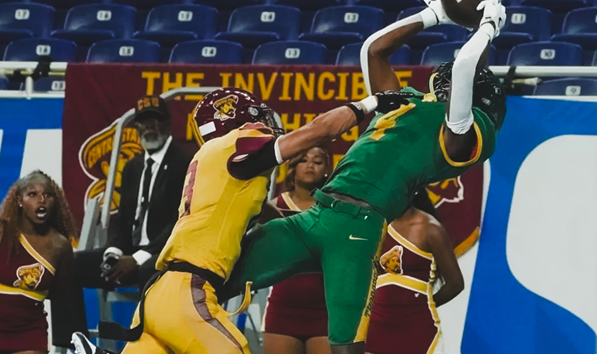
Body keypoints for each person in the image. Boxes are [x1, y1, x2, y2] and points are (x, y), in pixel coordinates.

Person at [218, 0, 512, 354]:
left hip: (357, 228)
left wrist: (488, 26)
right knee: (212, 274)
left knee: (345, 346)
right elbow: (374, 50)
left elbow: (466, 65)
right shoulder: (409, 100)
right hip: (317, 214)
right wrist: (433, 15)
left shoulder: (467, 134)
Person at [71, 87, 408, 354]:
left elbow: (270, 218)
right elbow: (317, 131)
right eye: (255, 116)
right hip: (189, 292)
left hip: (157, 295)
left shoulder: (211, 161)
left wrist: (320, 232)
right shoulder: (237, 146)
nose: (264, 121)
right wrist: (370, 103)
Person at [0, 170, 87, 354]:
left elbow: (60, 293)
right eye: (32, 194)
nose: (41, 200)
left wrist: (26, 294)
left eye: (47, 195)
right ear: (19, 201)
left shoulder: (60, 246)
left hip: (29, 327)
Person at [74, 96, 192, 292]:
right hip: (129, 251)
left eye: (156, 119)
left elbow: (180, 221)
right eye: (143, 121)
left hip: (166, 252)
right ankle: (73, 324)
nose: (149, 126)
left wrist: (138, 259)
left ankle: (145, 324)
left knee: (147, 271)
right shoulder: (132, 167)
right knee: (73, 264)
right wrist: (113, 252)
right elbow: (122, 218)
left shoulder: (185, 163)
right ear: (136, 127)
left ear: (168, 123)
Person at [365, 191, 464, 354]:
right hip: (376, 329)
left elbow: (455, 284)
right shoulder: (373, 226)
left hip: (418, 331)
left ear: (415, 187)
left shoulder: (430, 229)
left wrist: (422, 305)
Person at [264, 146, 334, 354]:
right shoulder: (273, 207)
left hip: (325, 310)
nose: (310, 165)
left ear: (326, 171)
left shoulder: (334, 210)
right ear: (293, 168)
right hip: (283, 306)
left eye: (317, 161)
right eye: (304, 160)